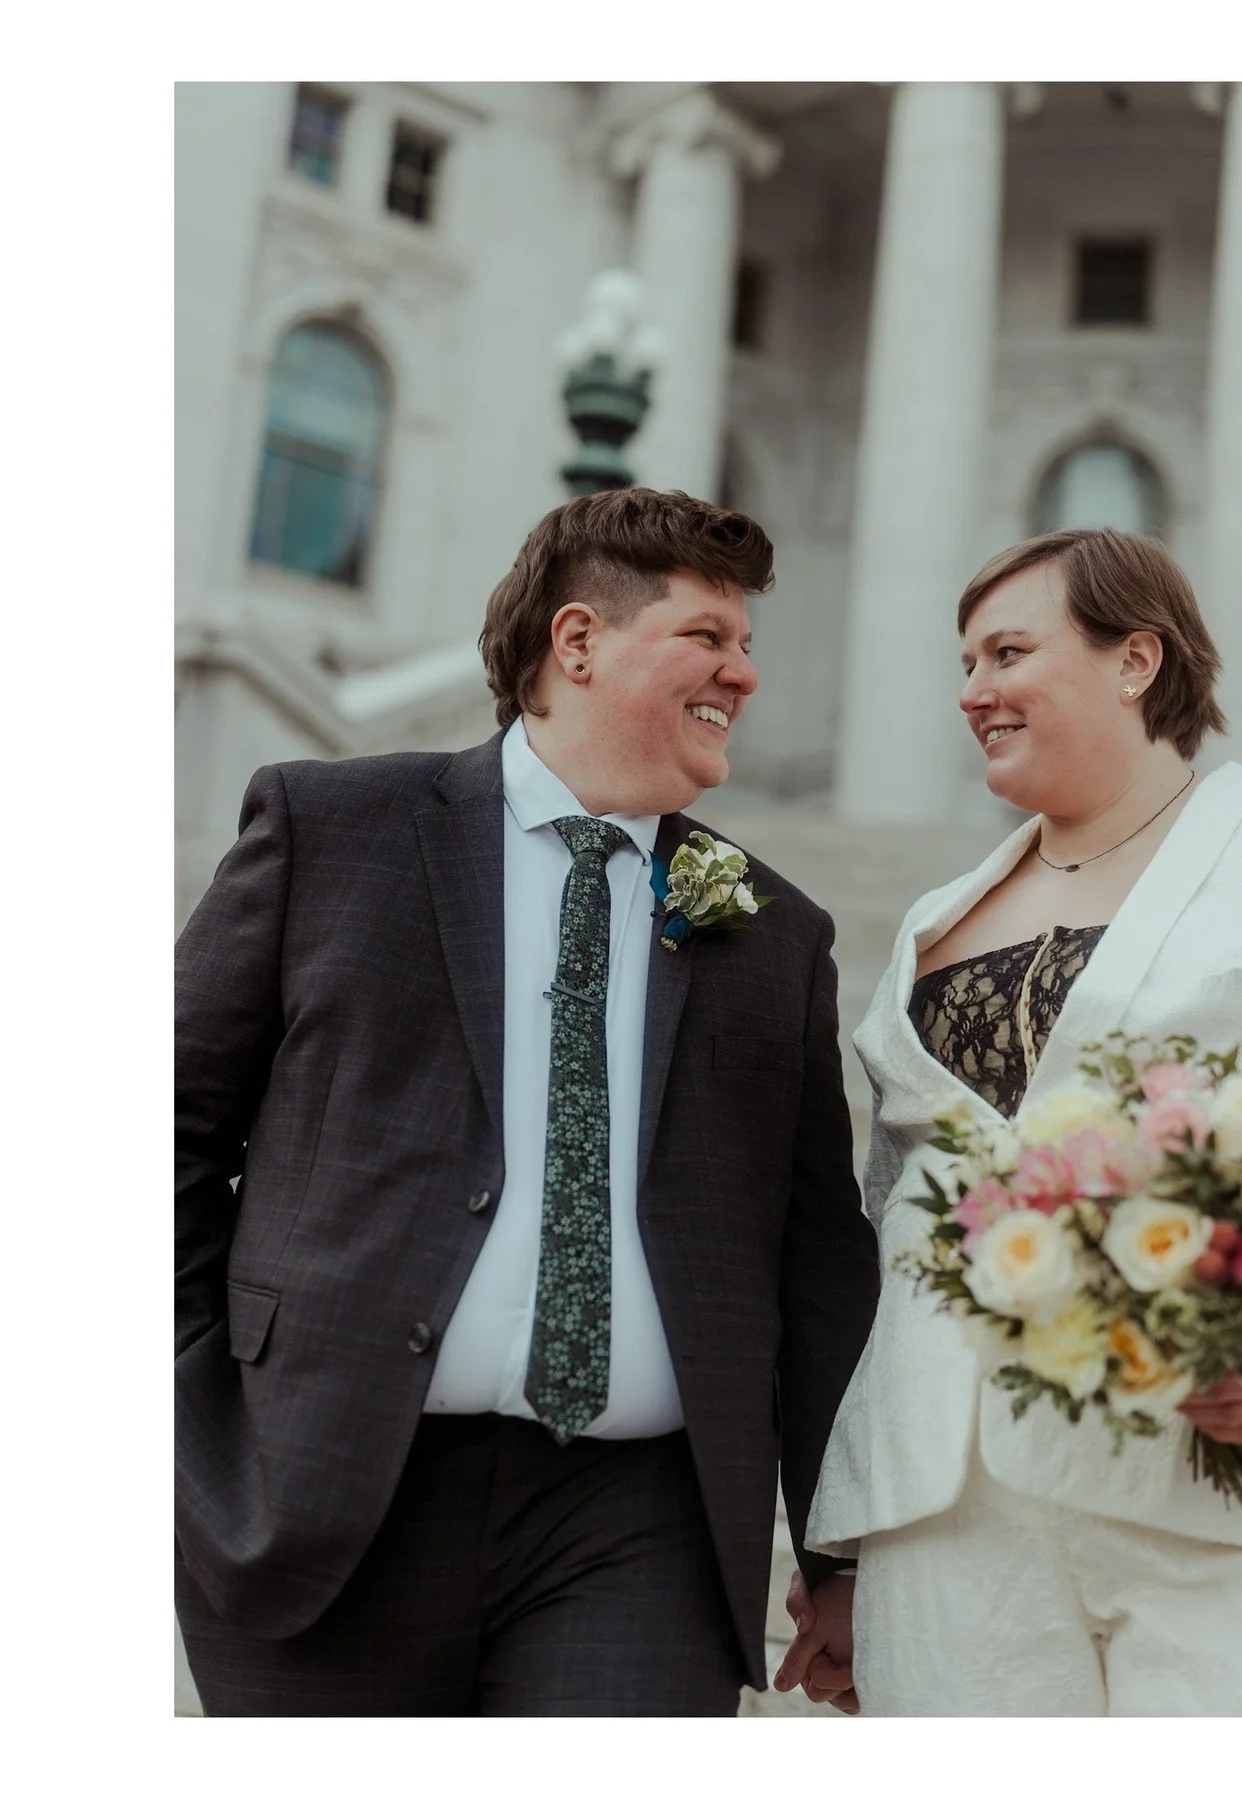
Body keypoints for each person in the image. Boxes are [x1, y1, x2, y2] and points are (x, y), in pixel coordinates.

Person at [174, 487, 879, 1716]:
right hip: (327, 1481)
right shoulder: (332, 829)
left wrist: (837, 1551)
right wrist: (195, 1404)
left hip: (637, 1521)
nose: (743, 675)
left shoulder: (776, 932)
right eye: (708, 637)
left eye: (749, 646)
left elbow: (816, 1257)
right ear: (578, 641)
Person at [782, 527, 1242, 1717]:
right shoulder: (936, 920)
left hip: (1209, 1491)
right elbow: (885, 1218)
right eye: (964, 663)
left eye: (1007, 651)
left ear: (1134, 660)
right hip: (941, 1506)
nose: (972, 692)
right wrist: (838, 1552)